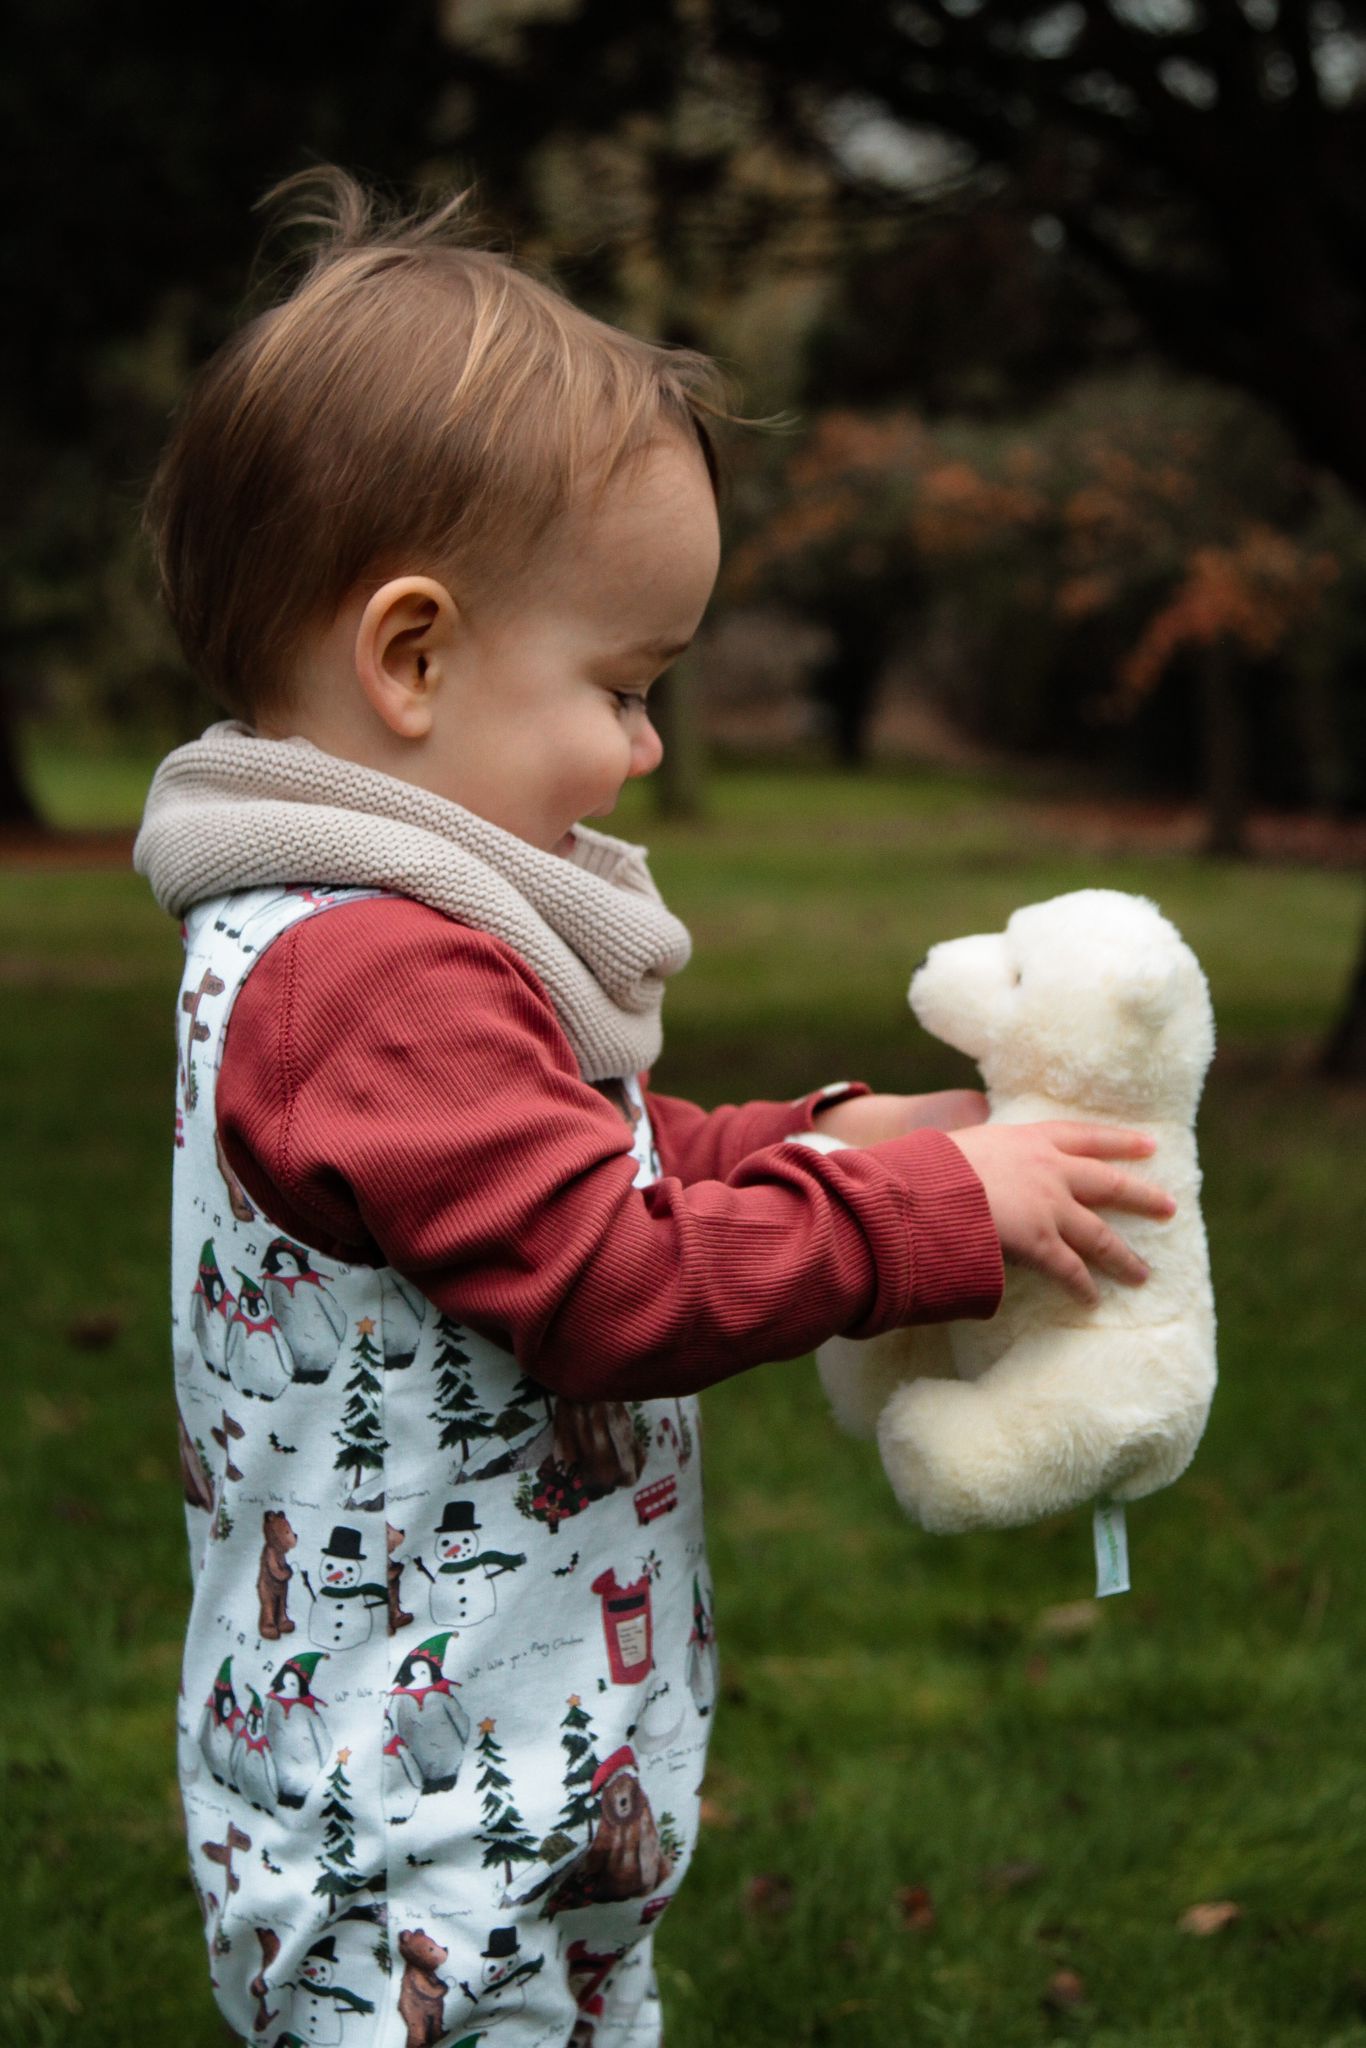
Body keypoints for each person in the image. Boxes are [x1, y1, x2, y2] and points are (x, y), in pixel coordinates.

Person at [134, 167, 1174, 2048]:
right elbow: (607, 1281)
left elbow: (580, 1164)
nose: (646, 747)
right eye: (621, 687)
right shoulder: (369, 970)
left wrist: (842, 1144)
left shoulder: (372, 942)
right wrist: (918, 1229)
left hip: (508, 1781)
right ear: (413, 656)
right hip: (420, 1836)